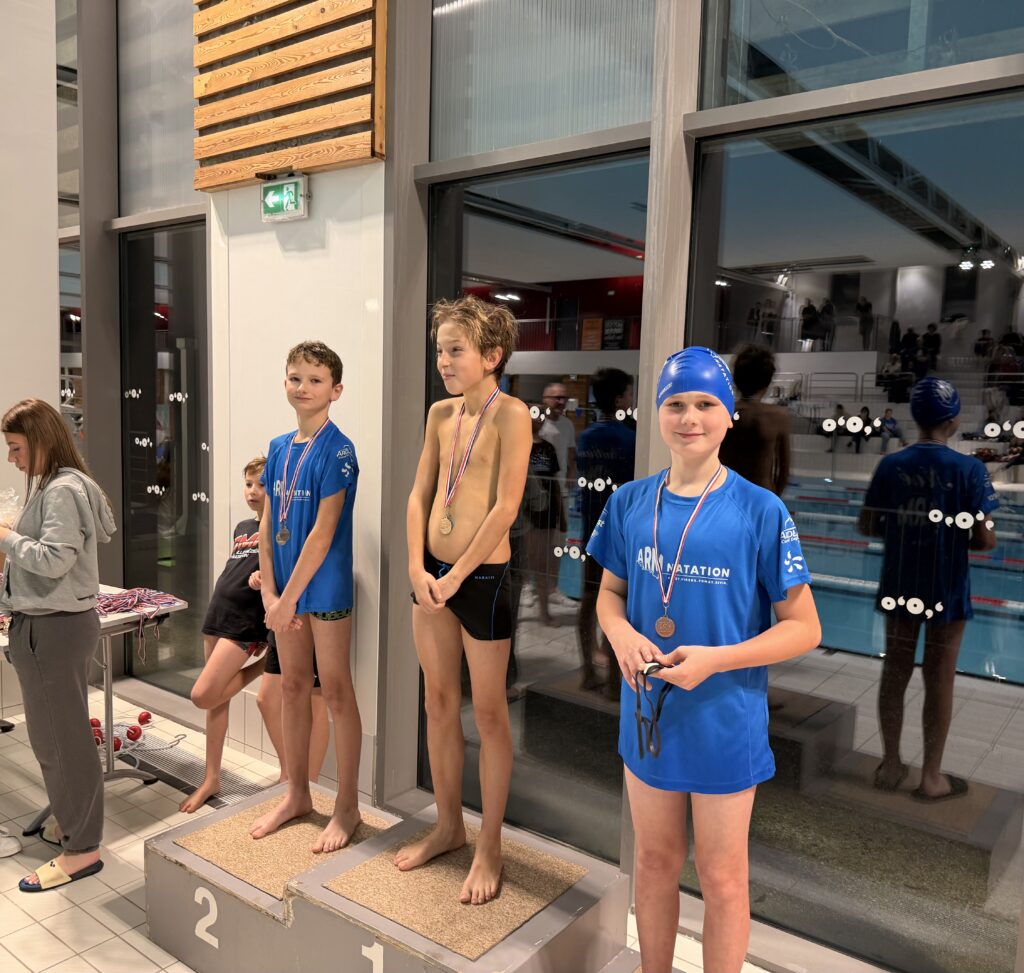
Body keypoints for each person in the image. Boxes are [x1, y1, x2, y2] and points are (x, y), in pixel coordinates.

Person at [587, 347, 820, 973]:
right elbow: (609, 596)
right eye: (676, 404)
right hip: (649, 714)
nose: (690, 417)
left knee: (722, 877)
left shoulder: (760, 511)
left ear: (729, 415)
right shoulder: (629, 503)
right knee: (654, 862)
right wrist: (620, 635)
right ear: (657, 412)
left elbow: (805, 628)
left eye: (705, 404)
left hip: (724, 714)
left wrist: (717, 659)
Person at [400, 295, 531, 904]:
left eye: (455, 350)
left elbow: (506, 507)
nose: (444, 361)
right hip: (430, 575)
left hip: (480, 580)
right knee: (437, 701)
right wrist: (416, 565)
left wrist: (455, 578)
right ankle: (449, 825)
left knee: (490, 714)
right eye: (440, 351)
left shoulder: (512, 415)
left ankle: (490, 842)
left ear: (491, 355)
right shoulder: (440, 413)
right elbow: (418, 495)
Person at [859, 378, 998, 801]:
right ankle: (931, 777)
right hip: (946, 586)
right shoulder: (970, 470)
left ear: (915, 417)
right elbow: (985, 540)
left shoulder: (890, 465)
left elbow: (868, 524)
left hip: (900, 582)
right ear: (953, 421)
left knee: (895, 670)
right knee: (940, 677)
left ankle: (891, 764)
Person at [250, 341, 362, 853]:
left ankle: (348, 807)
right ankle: (297, 793)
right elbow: (267, 523)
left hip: (324, 589)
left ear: (335, 390)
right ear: (285, 383)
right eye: (296, 378)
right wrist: (271, 593)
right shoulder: (277, 448)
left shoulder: (340, 451)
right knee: (293, 687)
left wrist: (287, 599)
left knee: (335, 692)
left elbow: (322, 532)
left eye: (315, 380)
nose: (303, 387)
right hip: (284, 595)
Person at [1, 398, 116, 892]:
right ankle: (74, 826)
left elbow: (52, 561)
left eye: (16, 448)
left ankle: (82, 849)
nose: (12, 459)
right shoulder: (62, 484)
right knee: (60, 739)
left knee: (60, 743)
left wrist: (5, 536)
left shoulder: (63, 490)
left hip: (54, 629)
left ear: (41, 440)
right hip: (50, 626)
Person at [181, 457, 272, 811]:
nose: (253, 491)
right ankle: (211, 778)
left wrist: (265, 580)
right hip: (218, 614)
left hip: (246, 624)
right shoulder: (242, 526)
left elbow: (285, 575)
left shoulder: (281, 529)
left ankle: (264, 667)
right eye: (248, 484)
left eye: (261, 484)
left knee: (204, 695)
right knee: (217, 702)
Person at [576, 368, 636, 694]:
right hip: (621, 534)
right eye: (629, 393)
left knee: (588, 601)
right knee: (619, 604)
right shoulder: (630, 438)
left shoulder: (586, 437)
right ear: (619, 398)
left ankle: (588, 671)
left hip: (591, 529)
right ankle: (615, 680)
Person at [257, 632, 330, 784]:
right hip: (281, 629)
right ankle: (289, 775)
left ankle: (309, 782)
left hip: (312, 625)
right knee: (266, 700)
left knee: (315, 703)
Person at [719, 345, 791, 495]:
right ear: (767, 383)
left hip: (725, 495)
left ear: (736, 379)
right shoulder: (778, 417)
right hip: (760, 495)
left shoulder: (721, 413)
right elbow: (784, 471)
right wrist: (774, 500)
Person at [522, 403, 564, 626]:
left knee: (543, 564)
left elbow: (554, 483)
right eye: (534, 414)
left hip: (546, 513)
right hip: (523, 514)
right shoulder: (517, 445)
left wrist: (562, 515)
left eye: (541, 415)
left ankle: (544, 611)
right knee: (526, 561)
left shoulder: (548, 448)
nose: (539, 419)